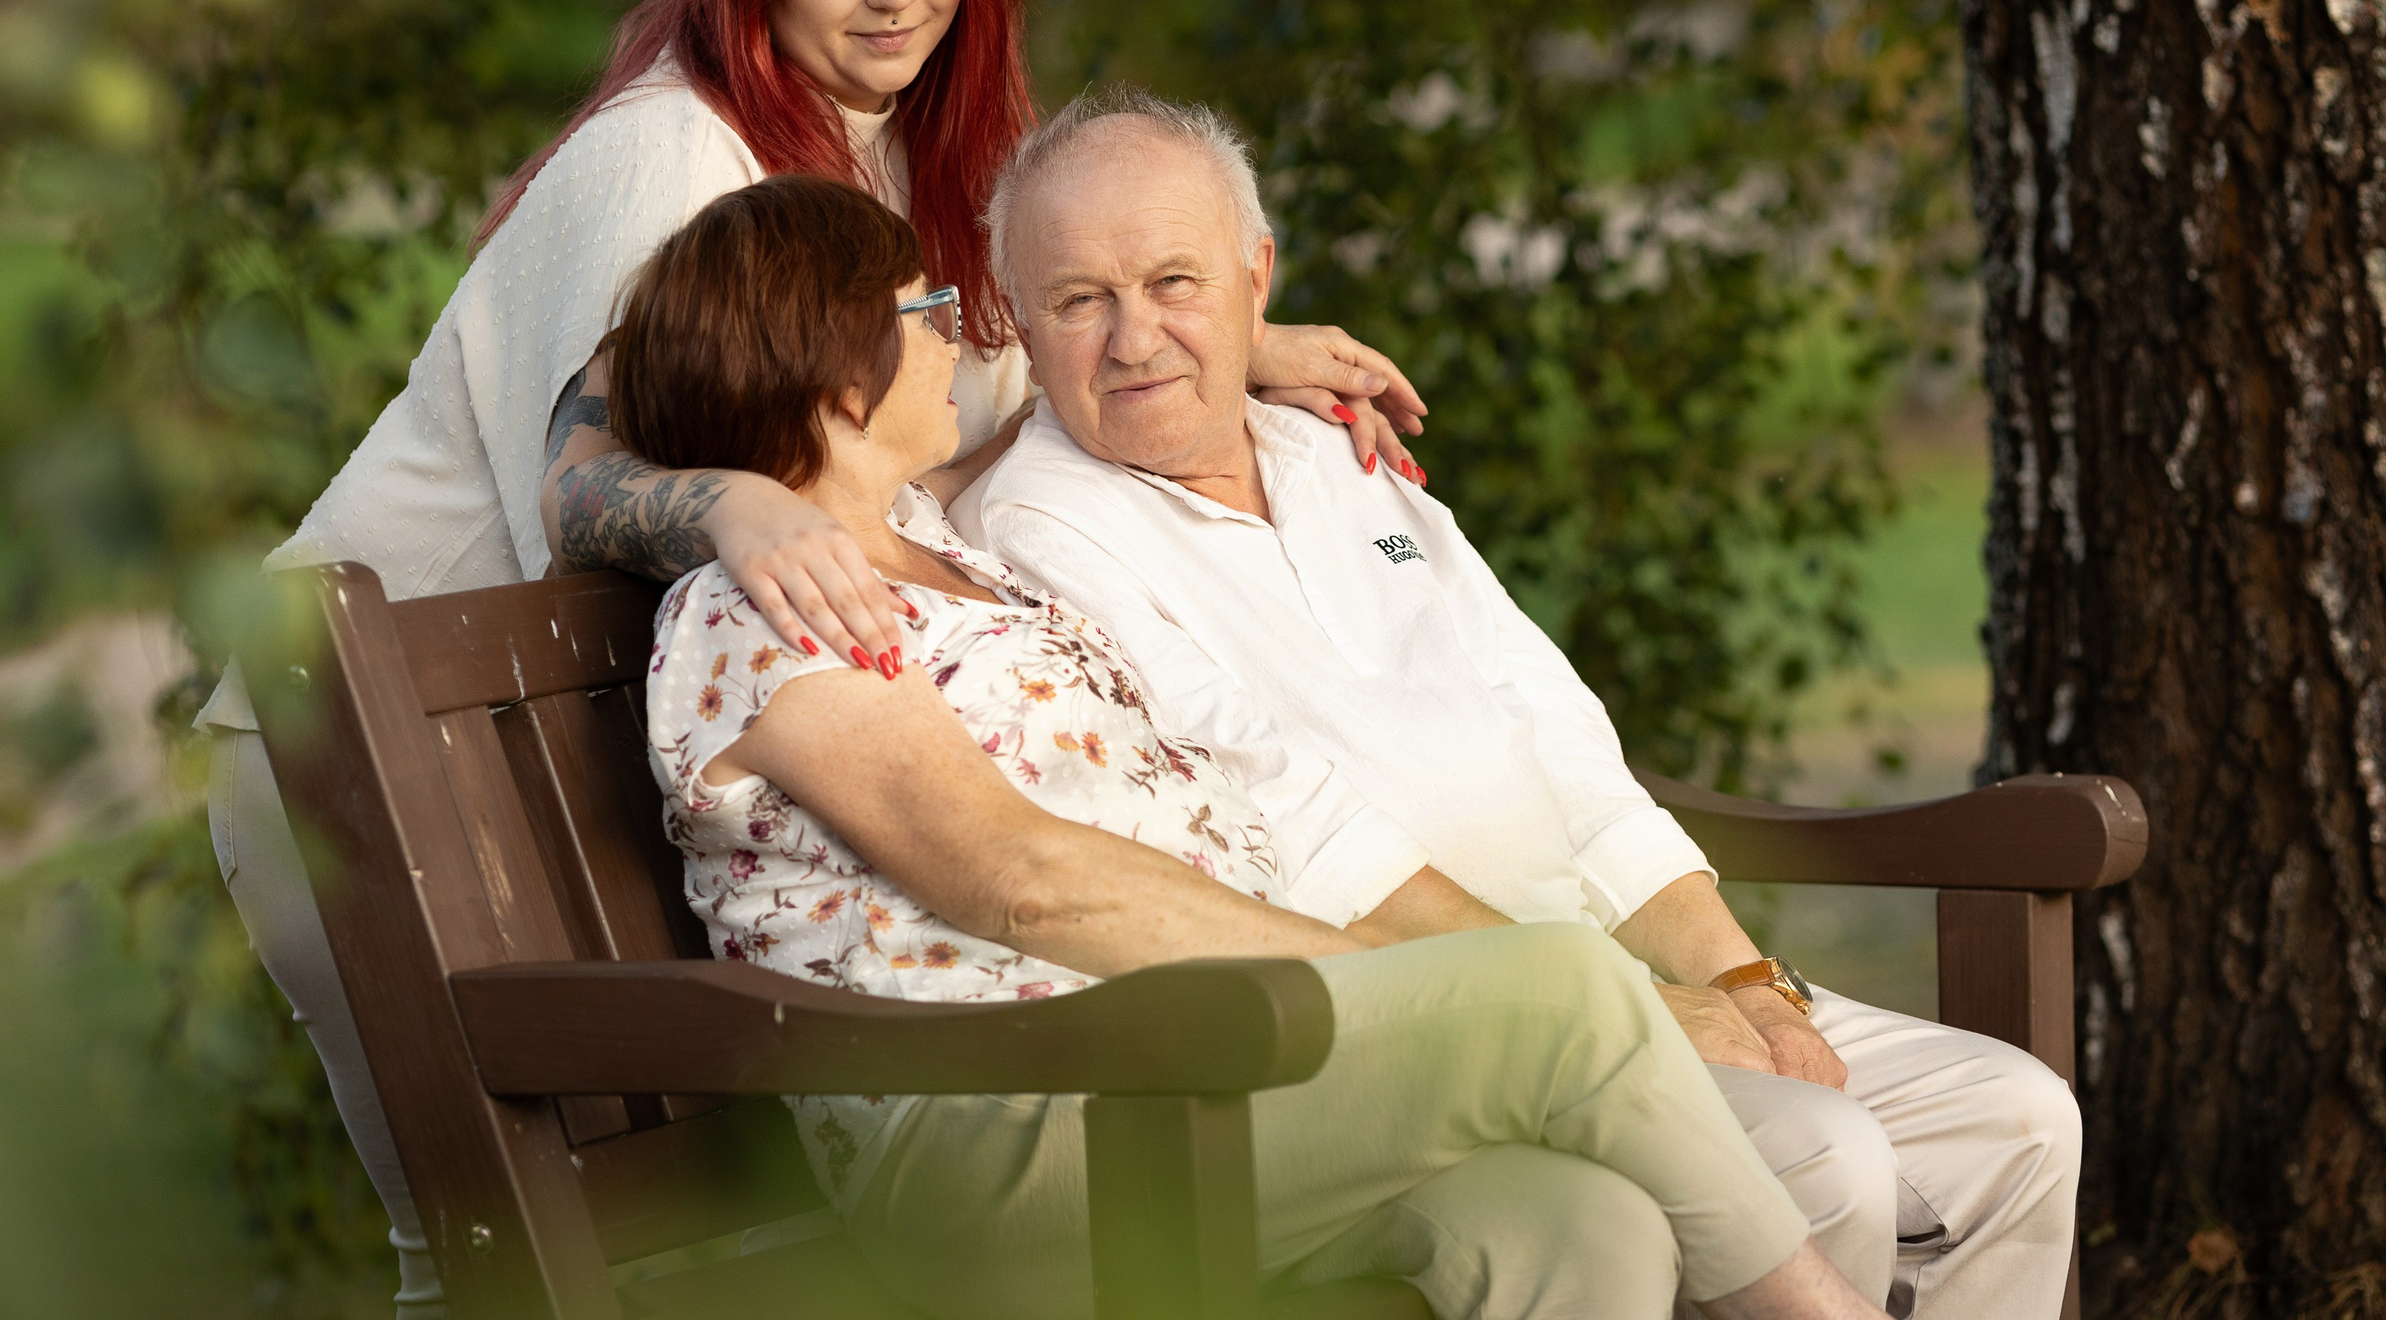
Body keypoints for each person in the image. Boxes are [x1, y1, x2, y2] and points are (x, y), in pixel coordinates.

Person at [196, 0, 1412, 1316]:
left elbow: (967, 387)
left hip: (587, 744)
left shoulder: (901, 145)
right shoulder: (673, 150)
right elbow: (581, 476)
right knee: (487, 1257)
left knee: (705, 1242)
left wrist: (1225, 345)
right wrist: (731, 495)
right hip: (370, 754)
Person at [617, 173, 1884, 1320]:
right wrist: (1346, 988)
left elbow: (1048, 414)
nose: (959, 335)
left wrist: (1231, 347)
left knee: (1567, 1223)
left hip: (1171, 1073)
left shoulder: (921, 536)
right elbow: (1018, 877)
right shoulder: (759, 613)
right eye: (926, 311)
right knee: (1560, 991)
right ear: (841, 372)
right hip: (1006, 1120)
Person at [967, 87, 2086, 1320]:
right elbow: (1295, 827)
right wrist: (1639, 1013)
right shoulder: (1038, 525)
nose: (1135, 339)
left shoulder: (1336, 456)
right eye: (1080, 301)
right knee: (1827, 1157)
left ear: (1256, 277)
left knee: (2018, 1118)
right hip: (1444, 1024)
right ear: (1021, 320)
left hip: (1607, 968)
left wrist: (1749, 983)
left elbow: (1562, 743)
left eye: (1173, 281)